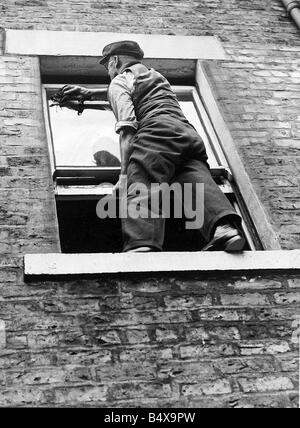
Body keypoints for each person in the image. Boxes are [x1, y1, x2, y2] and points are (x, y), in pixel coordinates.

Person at [59, 40, 245, 253]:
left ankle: (142, 245)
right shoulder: (157, 76)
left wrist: (123, 176)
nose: (107, 71)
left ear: (115, 61)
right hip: (186, 134)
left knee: (141, 181)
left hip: (155, 133)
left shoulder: (119, 81)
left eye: (106, 65)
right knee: (194, 179)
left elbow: (127, 128)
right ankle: (225, 229)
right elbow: (133, 91)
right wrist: (90, 93)